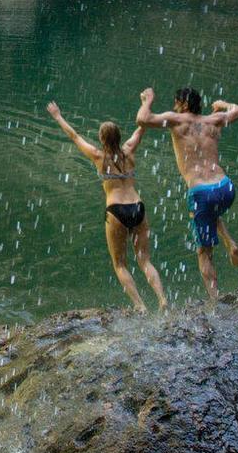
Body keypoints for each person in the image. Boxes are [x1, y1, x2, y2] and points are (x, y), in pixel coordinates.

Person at [47, 100, 168, 313]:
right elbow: (143, 126)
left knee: (120, 264)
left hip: (116, 211)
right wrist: (146, 103)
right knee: (145, 260)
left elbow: (74, 136)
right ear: (120, 137)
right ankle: (162, 299)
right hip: (137, 206)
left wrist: (57, 116)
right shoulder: (129, 150)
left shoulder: (97, 156)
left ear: (102, 138)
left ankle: (140, 306)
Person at [137, 86, 238, 300]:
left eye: (176, 101)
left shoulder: (176, 120)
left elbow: (142, 119)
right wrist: (222, 104)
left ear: (184, 104)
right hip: (225, 187)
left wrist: (147, 100)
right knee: (211, 211)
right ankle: (229, 242)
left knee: (204, 253)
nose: (174, 105)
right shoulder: (213, 120)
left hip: (201, 192)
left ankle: (215, 302)